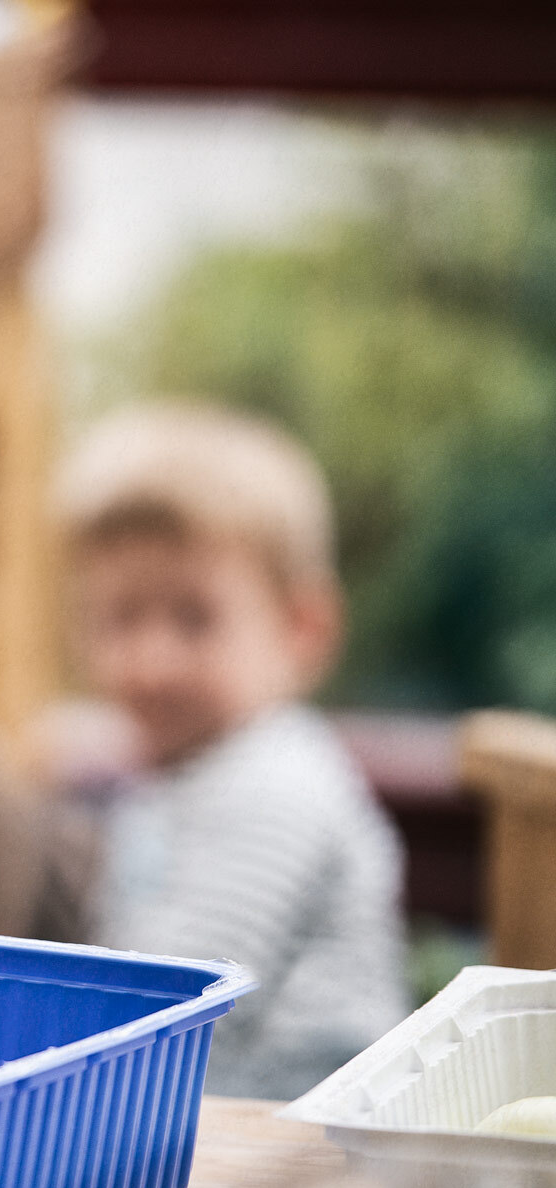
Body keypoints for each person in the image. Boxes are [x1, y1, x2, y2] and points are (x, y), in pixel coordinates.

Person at [53, 402, 407, 1100]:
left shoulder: (273, 781)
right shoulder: (191, 770)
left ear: (301, 629)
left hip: (304, 1151)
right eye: (121, 617)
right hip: (222, 1122)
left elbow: (176, 1008)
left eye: (194, 618)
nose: (150, 660)